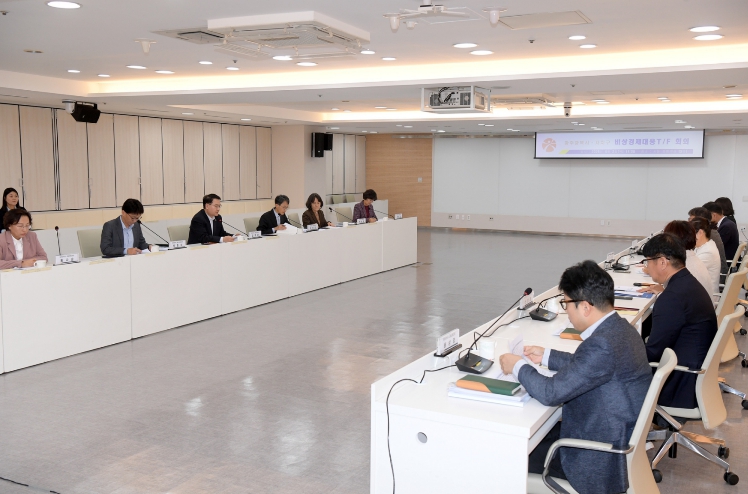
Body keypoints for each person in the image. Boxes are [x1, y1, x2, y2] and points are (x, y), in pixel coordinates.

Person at [498, 261, 651, 494]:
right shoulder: (620, 328)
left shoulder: (602, 344)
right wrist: (546, 355)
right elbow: (589, 365)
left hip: (595, 457)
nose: (566, 311)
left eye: (567, 303)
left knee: (507, 453)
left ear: (585, 307)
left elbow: (550, 393)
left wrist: (517, 365)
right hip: (613, 434)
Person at [640, 233, 717, 409]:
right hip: (695, 374)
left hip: (681, 383)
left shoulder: (672, 298)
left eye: (648, 261)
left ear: (662, 262)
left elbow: (653, 352)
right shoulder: (688, 283)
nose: (647, 267)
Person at [689, 206, 727, 273]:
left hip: (718, 274)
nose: (688, 222)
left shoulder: (708, 236)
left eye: (691, 220)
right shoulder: (709, 234)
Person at [691, 217, 721, 299]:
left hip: (706, 297)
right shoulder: (704, 246)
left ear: (700, 232)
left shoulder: (708, 252)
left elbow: (690, 274)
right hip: (701, 292)